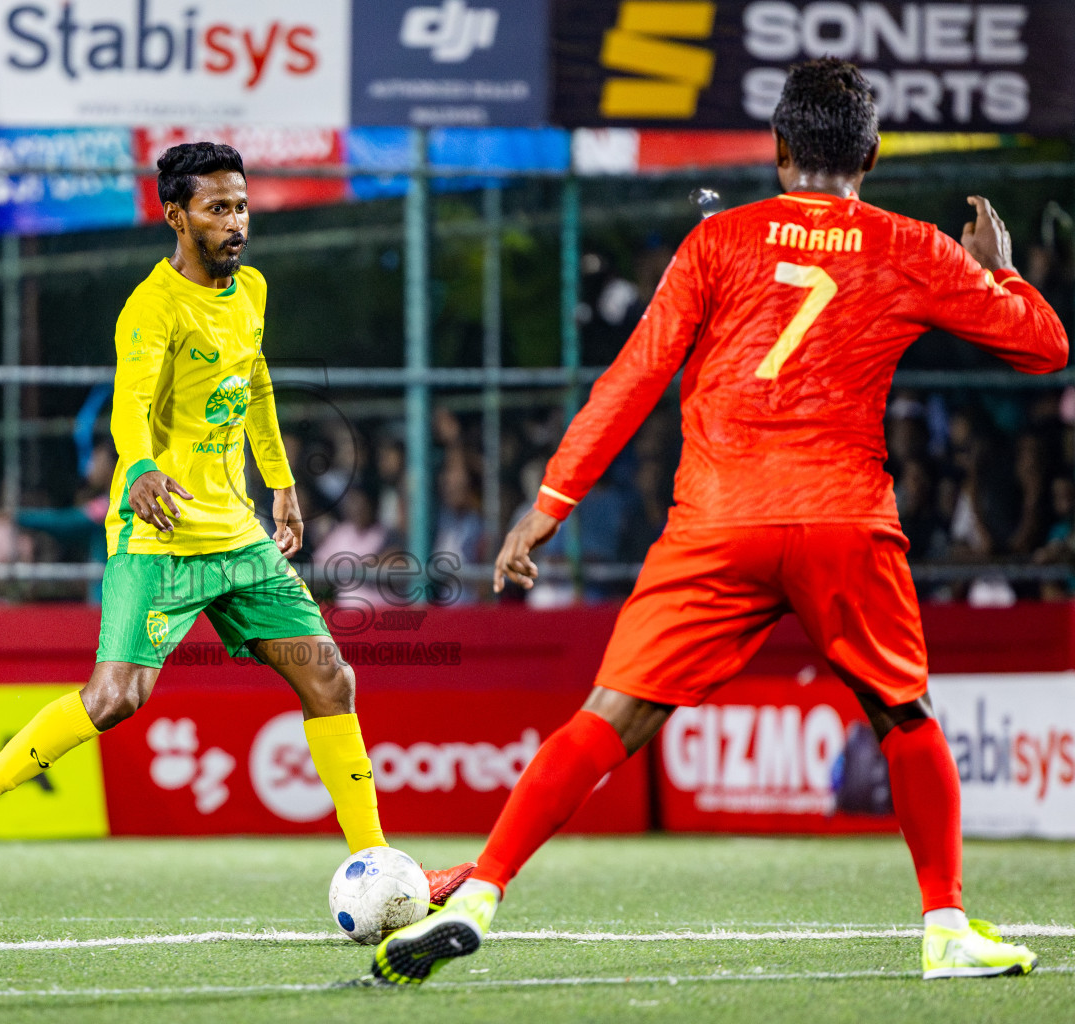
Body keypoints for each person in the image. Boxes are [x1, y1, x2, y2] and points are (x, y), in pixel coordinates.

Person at [372, 59, 1067, 985]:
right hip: (840, 518)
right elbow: (1046, 347)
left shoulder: (717, 242)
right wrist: (1003, 271)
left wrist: (547, 507)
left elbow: (630, 381)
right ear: (872, 154)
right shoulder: (911, 245)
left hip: (717, 520)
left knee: (606, 716)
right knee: (905, 715)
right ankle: (945, 926)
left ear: (780, 150)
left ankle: (482, 889)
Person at [0, 141, 473, 914]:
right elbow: (130, 405)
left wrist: (281, 485)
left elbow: (256, 378)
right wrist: (136, 471)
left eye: (240, 206)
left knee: (331, 678)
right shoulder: (151, 308)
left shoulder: (252, 290)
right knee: (114, 698)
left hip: (236, 533)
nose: (236, 222)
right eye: (217, 208)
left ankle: (381, 873)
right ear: (177, 216)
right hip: (160, 532)